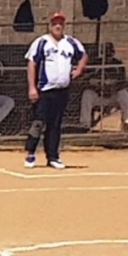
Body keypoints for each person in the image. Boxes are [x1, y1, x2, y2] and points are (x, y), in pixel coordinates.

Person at [24, 12, 87, 169]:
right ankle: (30, 153)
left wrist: (79, 69)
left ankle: (53, 156)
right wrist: (32, 87)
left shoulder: (70, 42)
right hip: (45, 90)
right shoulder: (42, 42)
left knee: (55, 124)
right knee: (39, 122)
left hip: (62, 90)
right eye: (54, 23)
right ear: (50, 25)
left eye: (60, 23)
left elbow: (84, 55)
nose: (58, 26)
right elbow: (32, 63)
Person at [79, 43, 128, 130]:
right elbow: (86, 79)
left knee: (124, 94)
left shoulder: (118, 64)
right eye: (105, 53)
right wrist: (96, 82)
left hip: (113, 95)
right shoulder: (96, 63)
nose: (108, 56)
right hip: (98, 95)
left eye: (109, 53)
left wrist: (113, 83)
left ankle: (127, 121)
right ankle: (85, 124)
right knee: (87, 94)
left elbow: (124, 81)